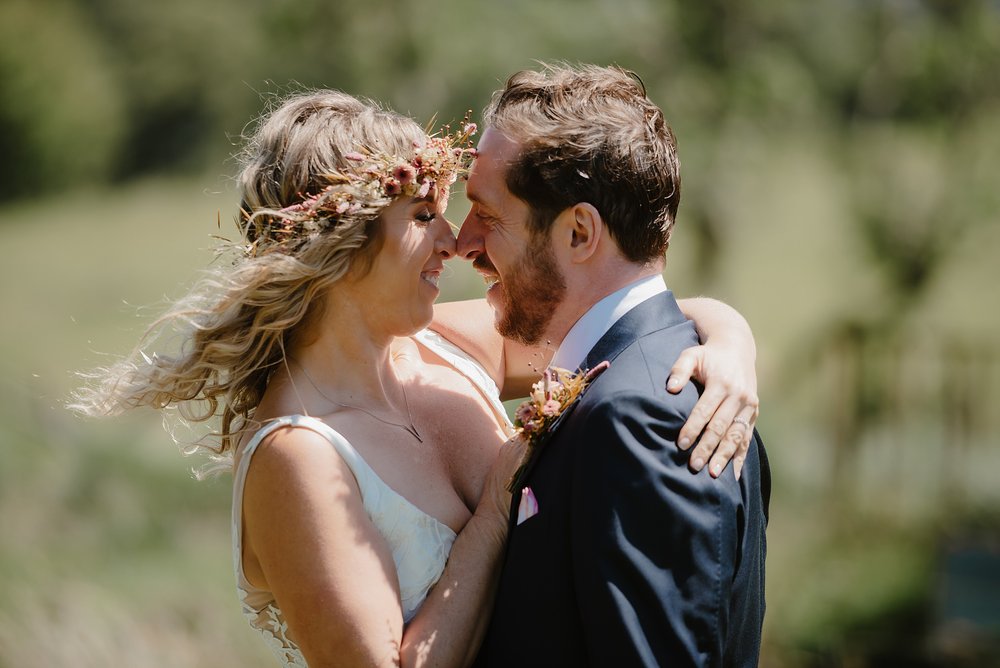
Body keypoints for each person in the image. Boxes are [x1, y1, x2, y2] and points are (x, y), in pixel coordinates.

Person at [72, 89, 759, 667]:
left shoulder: (449, 343)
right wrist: (494, 511)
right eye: (424, 215)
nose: (454, 242)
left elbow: (615, 315)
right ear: (340, 246)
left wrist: (731, 342)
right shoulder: (299, 455)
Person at [456, 64, 770, 667]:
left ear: (579, 233)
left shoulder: (637, 418)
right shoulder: (632, 376)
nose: (465, 243)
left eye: (488, 215)